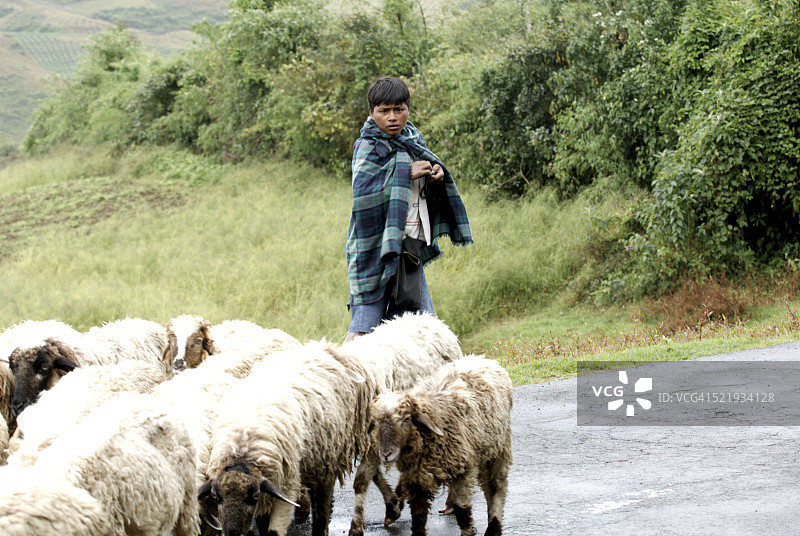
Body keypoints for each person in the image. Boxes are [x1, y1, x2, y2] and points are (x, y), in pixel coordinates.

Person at [344, 76, 473, 343]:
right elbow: (363, 194)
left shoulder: (412, 139)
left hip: (409, 246)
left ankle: (421, 370)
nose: (392, 117)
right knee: (364, 328)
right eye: (384, 111)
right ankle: (343, 369)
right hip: (374, 249)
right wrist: (405, 173)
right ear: (371, 112)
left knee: (421, 326)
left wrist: (434, 175)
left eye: (399, 109)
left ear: (408, 109)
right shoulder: (367, 146)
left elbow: (418, 186)